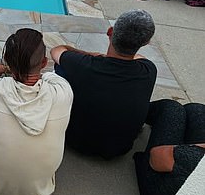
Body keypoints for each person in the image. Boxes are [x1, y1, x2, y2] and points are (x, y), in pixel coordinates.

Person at [0, 29, 73, 195]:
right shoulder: (63, 91)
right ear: (44, 62)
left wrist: (6, 68)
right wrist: (28, 71)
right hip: (37, 189)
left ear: (8, 62)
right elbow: (52, 77)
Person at [50, 10, 157, 159]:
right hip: (119, 149)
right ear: (146, 42)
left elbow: (57, 50)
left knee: (60, 68)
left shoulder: (83, 65)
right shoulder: (149, 70)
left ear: (110, 32)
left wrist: (88, 55)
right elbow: (139, 58)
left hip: (73, 141)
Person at [134, 99, 205, 195]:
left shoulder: (195, 159)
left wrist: (191, 148)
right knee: (196, 110)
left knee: (173, 109)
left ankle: (131, 115)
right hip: (190, 192)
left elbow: (156, 156)